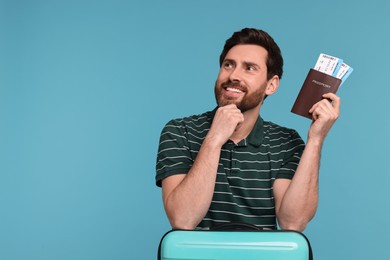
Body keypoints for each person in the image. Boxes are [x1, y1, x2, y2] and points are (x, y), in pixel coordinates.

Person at [155, 28, 340, 231]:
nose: (233, 75)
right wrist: (214, 139)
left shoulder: (287, 142)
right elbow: (182, 219)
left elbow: (293, 222)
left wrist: (316, 139)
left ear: (271, 85)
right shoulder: (180, 131)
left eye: (249, 68)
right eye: (228, 65)